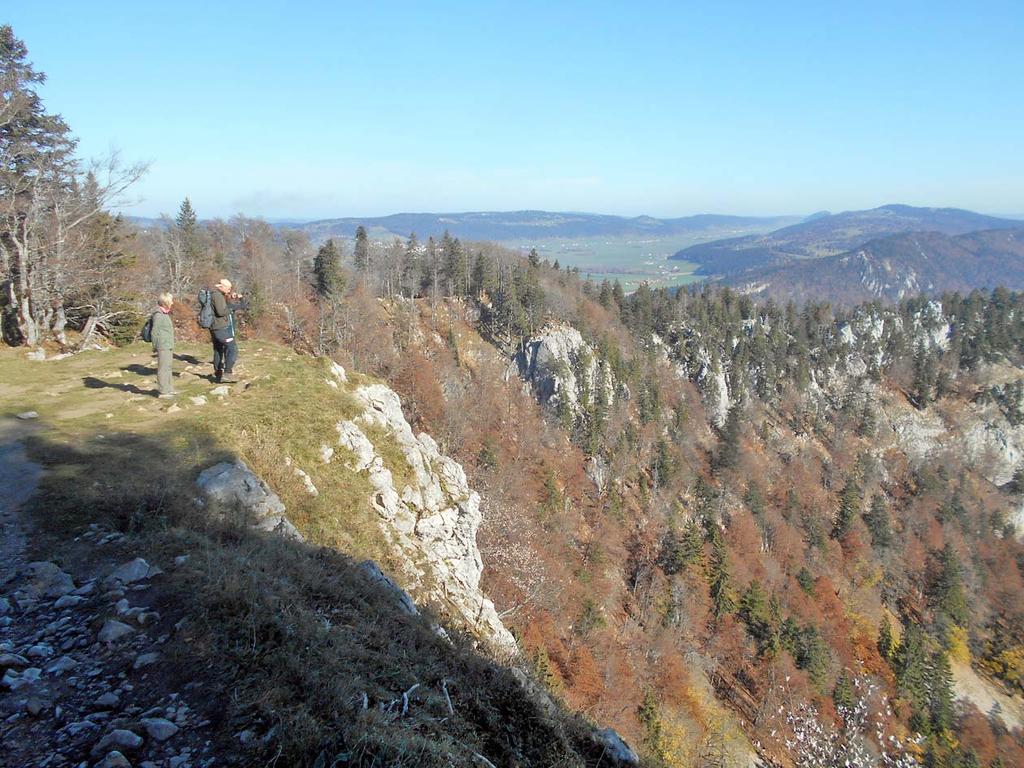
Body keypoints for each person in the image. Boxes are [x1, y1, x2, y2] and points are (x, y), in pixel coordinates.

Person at [210, 277, 248, 383]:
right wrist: (231, 310)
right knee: (232, 348)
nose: (229, 290)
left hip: (215, 327)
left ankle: (218, 374)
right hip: (220, 328)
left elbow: (222, 306)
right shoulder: (217, 296)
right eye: (228, 288)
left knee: (218, 350)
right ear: (222, 287)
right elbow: (221, 312)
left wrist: (232, 298)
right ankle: (227, 373)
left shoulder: (216, 295)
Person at [152, 292, 176, 398]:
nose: (172, 302)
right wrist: (155, 345)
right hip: (162, 345)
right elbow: (155, 331)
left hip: (168, 344)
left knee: (168, 367)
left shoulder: (165, 313)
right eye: (171, 300)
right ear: (165, 302)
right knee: (163, 368)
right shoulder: (158, 315)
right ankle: (163, 391)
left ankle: (169, 388)